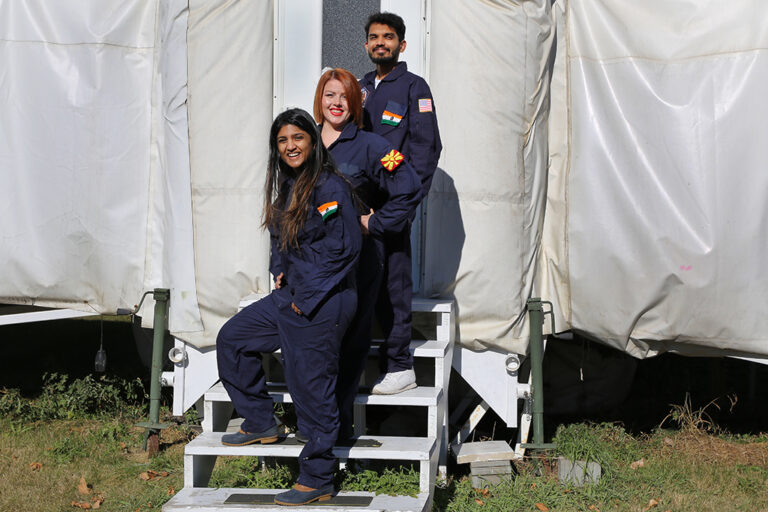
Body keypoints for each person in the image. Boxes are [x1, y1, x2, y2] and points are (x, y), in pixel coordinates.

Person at [216, 108, 361, 506]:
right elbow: (280, 242)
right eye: (282, 141)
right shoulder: (288, 187)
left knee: (310, 388)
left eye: (298, 138)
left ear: (312, 142)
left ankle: (317, 478)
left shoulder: (330, 187)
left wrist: (305, 300)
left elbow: (344, 249)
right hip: (292, 295)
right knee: (233, 339)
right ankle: (262, 422)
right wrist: (278, 272)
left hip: (323, 300)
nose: (290, 146)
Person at [313, 68, 421, 437]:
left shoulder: (374, 146)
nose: (336, 103)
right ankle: (314, 422)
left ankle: (337, 427)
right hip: (312, 264)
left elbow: (408, 187)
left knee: (349, 340)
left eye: (344, 96)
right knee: (315, 342)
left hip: (356, 263)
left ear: (355, 102)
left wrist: (375, 224)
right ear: (320, 100)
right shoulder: (304, 142)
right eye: (330, 95)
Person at [359, 12, 443, 394]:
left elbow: (426, 150)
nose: (381, 43)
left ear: (401, 45)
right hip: (357, 208)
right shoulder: (358, 88)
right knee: (359, 284)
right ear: (367, 45)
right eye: (375, 37)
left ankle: (400, 366)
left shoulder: (413, 88)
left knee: (394, 284)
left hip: (391, 205)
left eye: (388, 37)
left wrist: (406, 205)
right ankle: (361, 363)